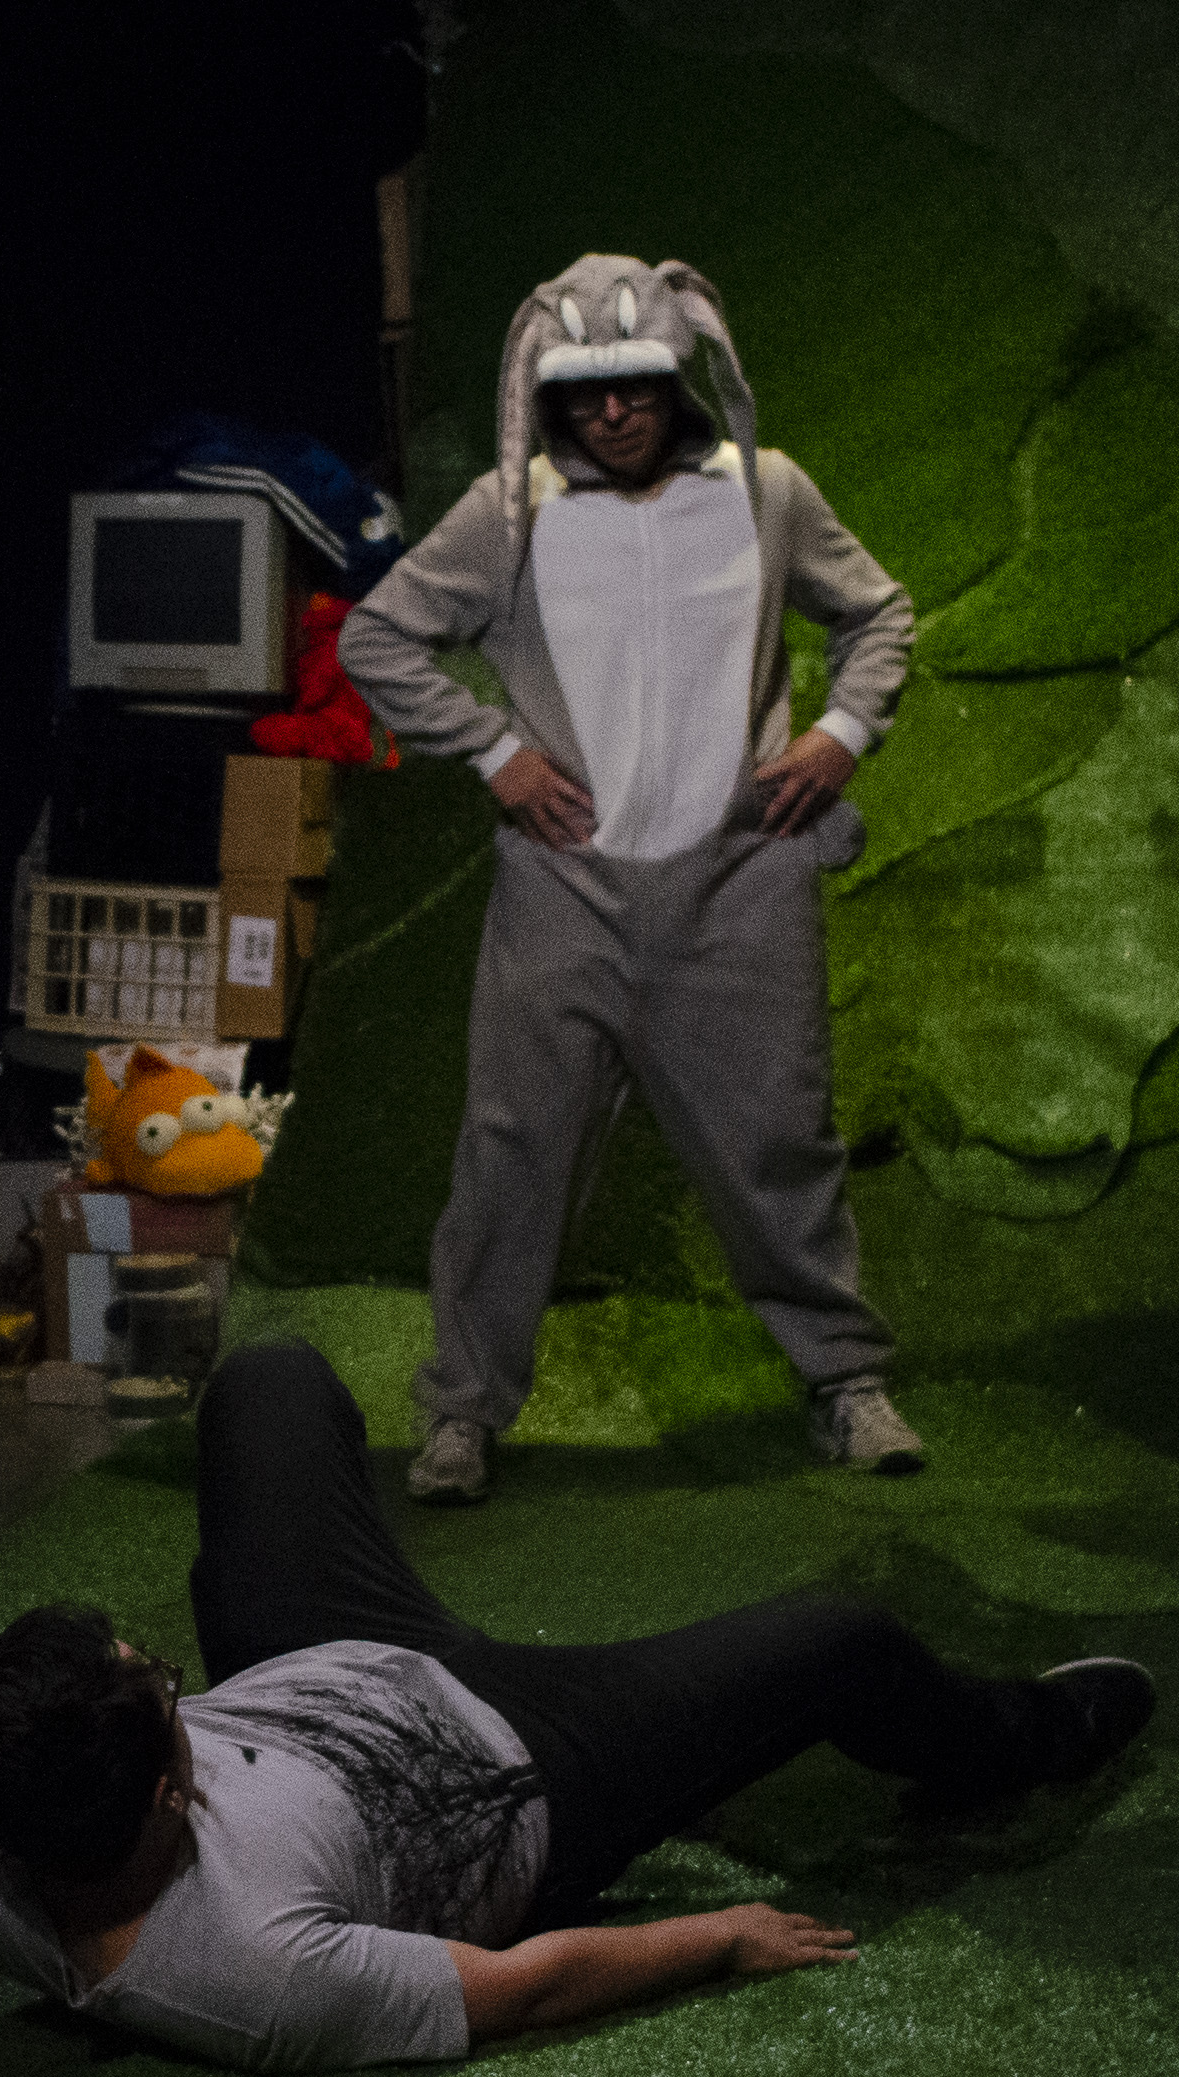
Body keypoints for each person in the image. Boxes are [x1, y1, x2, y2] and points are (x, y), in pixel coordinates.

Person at [0, 1340, 1152, 2073]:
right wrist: (716, 1937)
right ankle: (1024, 1739)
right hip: (525, 1761)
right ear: (167, 1792)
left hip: (312, 1661)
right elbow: (524, 1989)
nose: (159, 1675)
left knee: (271, 1380)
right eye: (158, 1688)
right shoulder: (244, 1975)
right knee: (841, 1639)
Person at [333, 252, 926, 1508]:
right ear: (548, 394)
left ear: (677, 376)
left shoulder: (764, 490)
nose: (611, 412)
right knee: (511, 1150)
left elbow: (878, 614)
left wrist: (840, 733)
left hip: (738, 882)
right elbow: (375, 634)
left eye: (636, 384)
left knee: (779, 1142)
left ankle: (844, 1383)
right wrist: (492, 751)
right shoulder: (509, 512)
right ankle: (461, 1412)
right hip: (565, 888)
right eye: (584, 391)